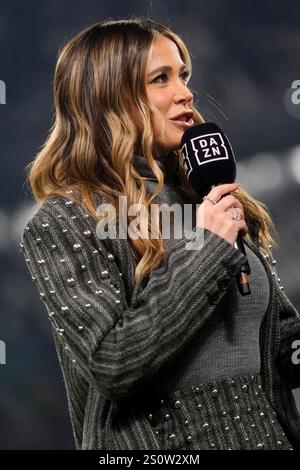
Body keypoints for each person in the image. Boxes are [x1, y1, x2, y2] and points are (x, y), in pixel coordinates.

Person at [20, 17, 300, 450]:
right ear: (111, 97)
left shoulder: (207, 199)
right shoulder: (65, 220)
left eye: (183, 75)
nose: (186, 93)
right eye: (161, 79)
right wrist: (208, 249)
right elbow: (115, 361)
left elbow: (275, 342)